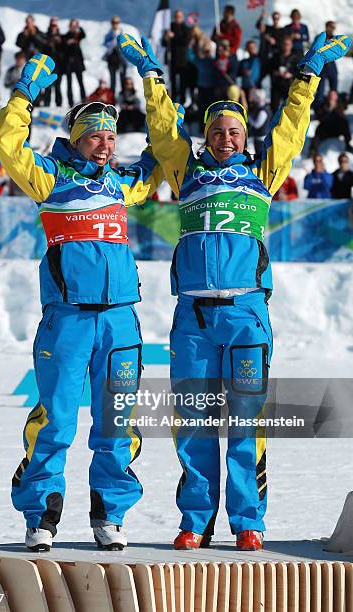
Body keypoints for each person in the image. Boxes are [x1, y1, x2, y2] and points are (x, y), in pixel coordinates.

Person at [118, 30, 351, 550]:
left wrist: (308, 74)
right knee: (194, 421)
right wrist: (152, 76)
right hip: (195, 318)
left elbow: (291, 129)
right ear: (206, 136)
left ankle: (248, 521)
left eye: (235, 131)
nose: (227, 138)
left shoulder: (262, 174)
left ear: (245, 137)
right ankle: (195, 519)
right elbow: (161, 131)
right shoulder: (187, 173)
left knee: (248, 422)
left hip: (246, 313)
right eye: (218, 131)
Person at [0, 53, 163, 552]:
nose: (105, 144)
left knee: (117, 421)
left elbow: (167, 148)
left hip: (119, 322)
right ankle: (41, 516)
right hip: (66, 320)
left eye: (111, 136)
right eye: (96, 135)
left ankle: (110, 514)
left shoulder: (124, 183)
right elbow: (7, 145)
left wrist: (152, 80)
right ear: (77, 138)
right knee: (57, 419)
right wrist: (25, 92)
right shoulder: (48, 176)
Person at [162, 9, 191, 104]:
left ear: (182, 18)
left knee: (183, 82)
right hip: (172, 59)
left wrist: (173, 37)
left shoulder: (186, 29)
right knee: (172, 82)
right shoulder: (170, 27)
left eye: (179, 16)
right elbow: (163, 43)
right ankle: (172, 101)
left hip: (182, 60)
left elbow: (185, 42)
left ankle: (182, 102)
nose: (178, 18)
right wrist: (166, 38)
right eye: (176, 17)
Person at [269, 35, 299, 112]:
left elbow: (299, 72)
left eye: (288, 44)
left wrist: (291, 74)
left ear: (291, 45)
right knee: (274, 107)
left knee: (288, 108)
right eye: (284, 44)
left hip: (289, 86)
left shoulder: (295, 58)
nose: (286, 46)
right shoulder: (276, 56)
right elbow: (269, 68)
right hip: (277, 84)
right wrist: (276, 72)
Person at [62, 19, 86, 106]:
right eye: (72, 25)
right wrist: (68, 43)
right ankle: (70, 102)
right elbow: (63, 46)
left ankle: (84, 100)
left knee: (81, 82)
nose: (73, 27)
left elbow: (83, 35)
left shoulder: (78, 35)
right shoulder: (66, 36)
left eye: (75, 25)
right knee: (69, 83)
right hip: (69, 62)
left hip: (77, 62)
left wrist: (79, 27)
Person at [44, 17, 64, 107]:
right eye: (52, 25)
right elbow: (42, 49)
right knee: (48, 86)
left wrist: (60, 43)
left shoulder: (61, 37)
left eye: (55, 25)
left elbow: (64, 52)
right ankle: (46, 104)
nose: (53, 27)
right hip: (48, 65)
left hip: (58, 65)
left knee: (58, 86)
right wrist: (48, 43)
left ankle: (58, 104)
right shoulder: (45, 36)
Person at [103, 16, 126, 94]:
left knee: (123, 80)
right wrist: (112, 43)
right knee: (113, 81)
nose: (115, 24)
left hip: (121, 59)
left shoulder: (122, 34)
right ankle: (112, 100)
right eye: (114, 22)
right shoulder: (109, 34)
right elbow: (105, 44)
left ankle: (123, 99)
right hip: (112, 60)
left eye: (117, 22)